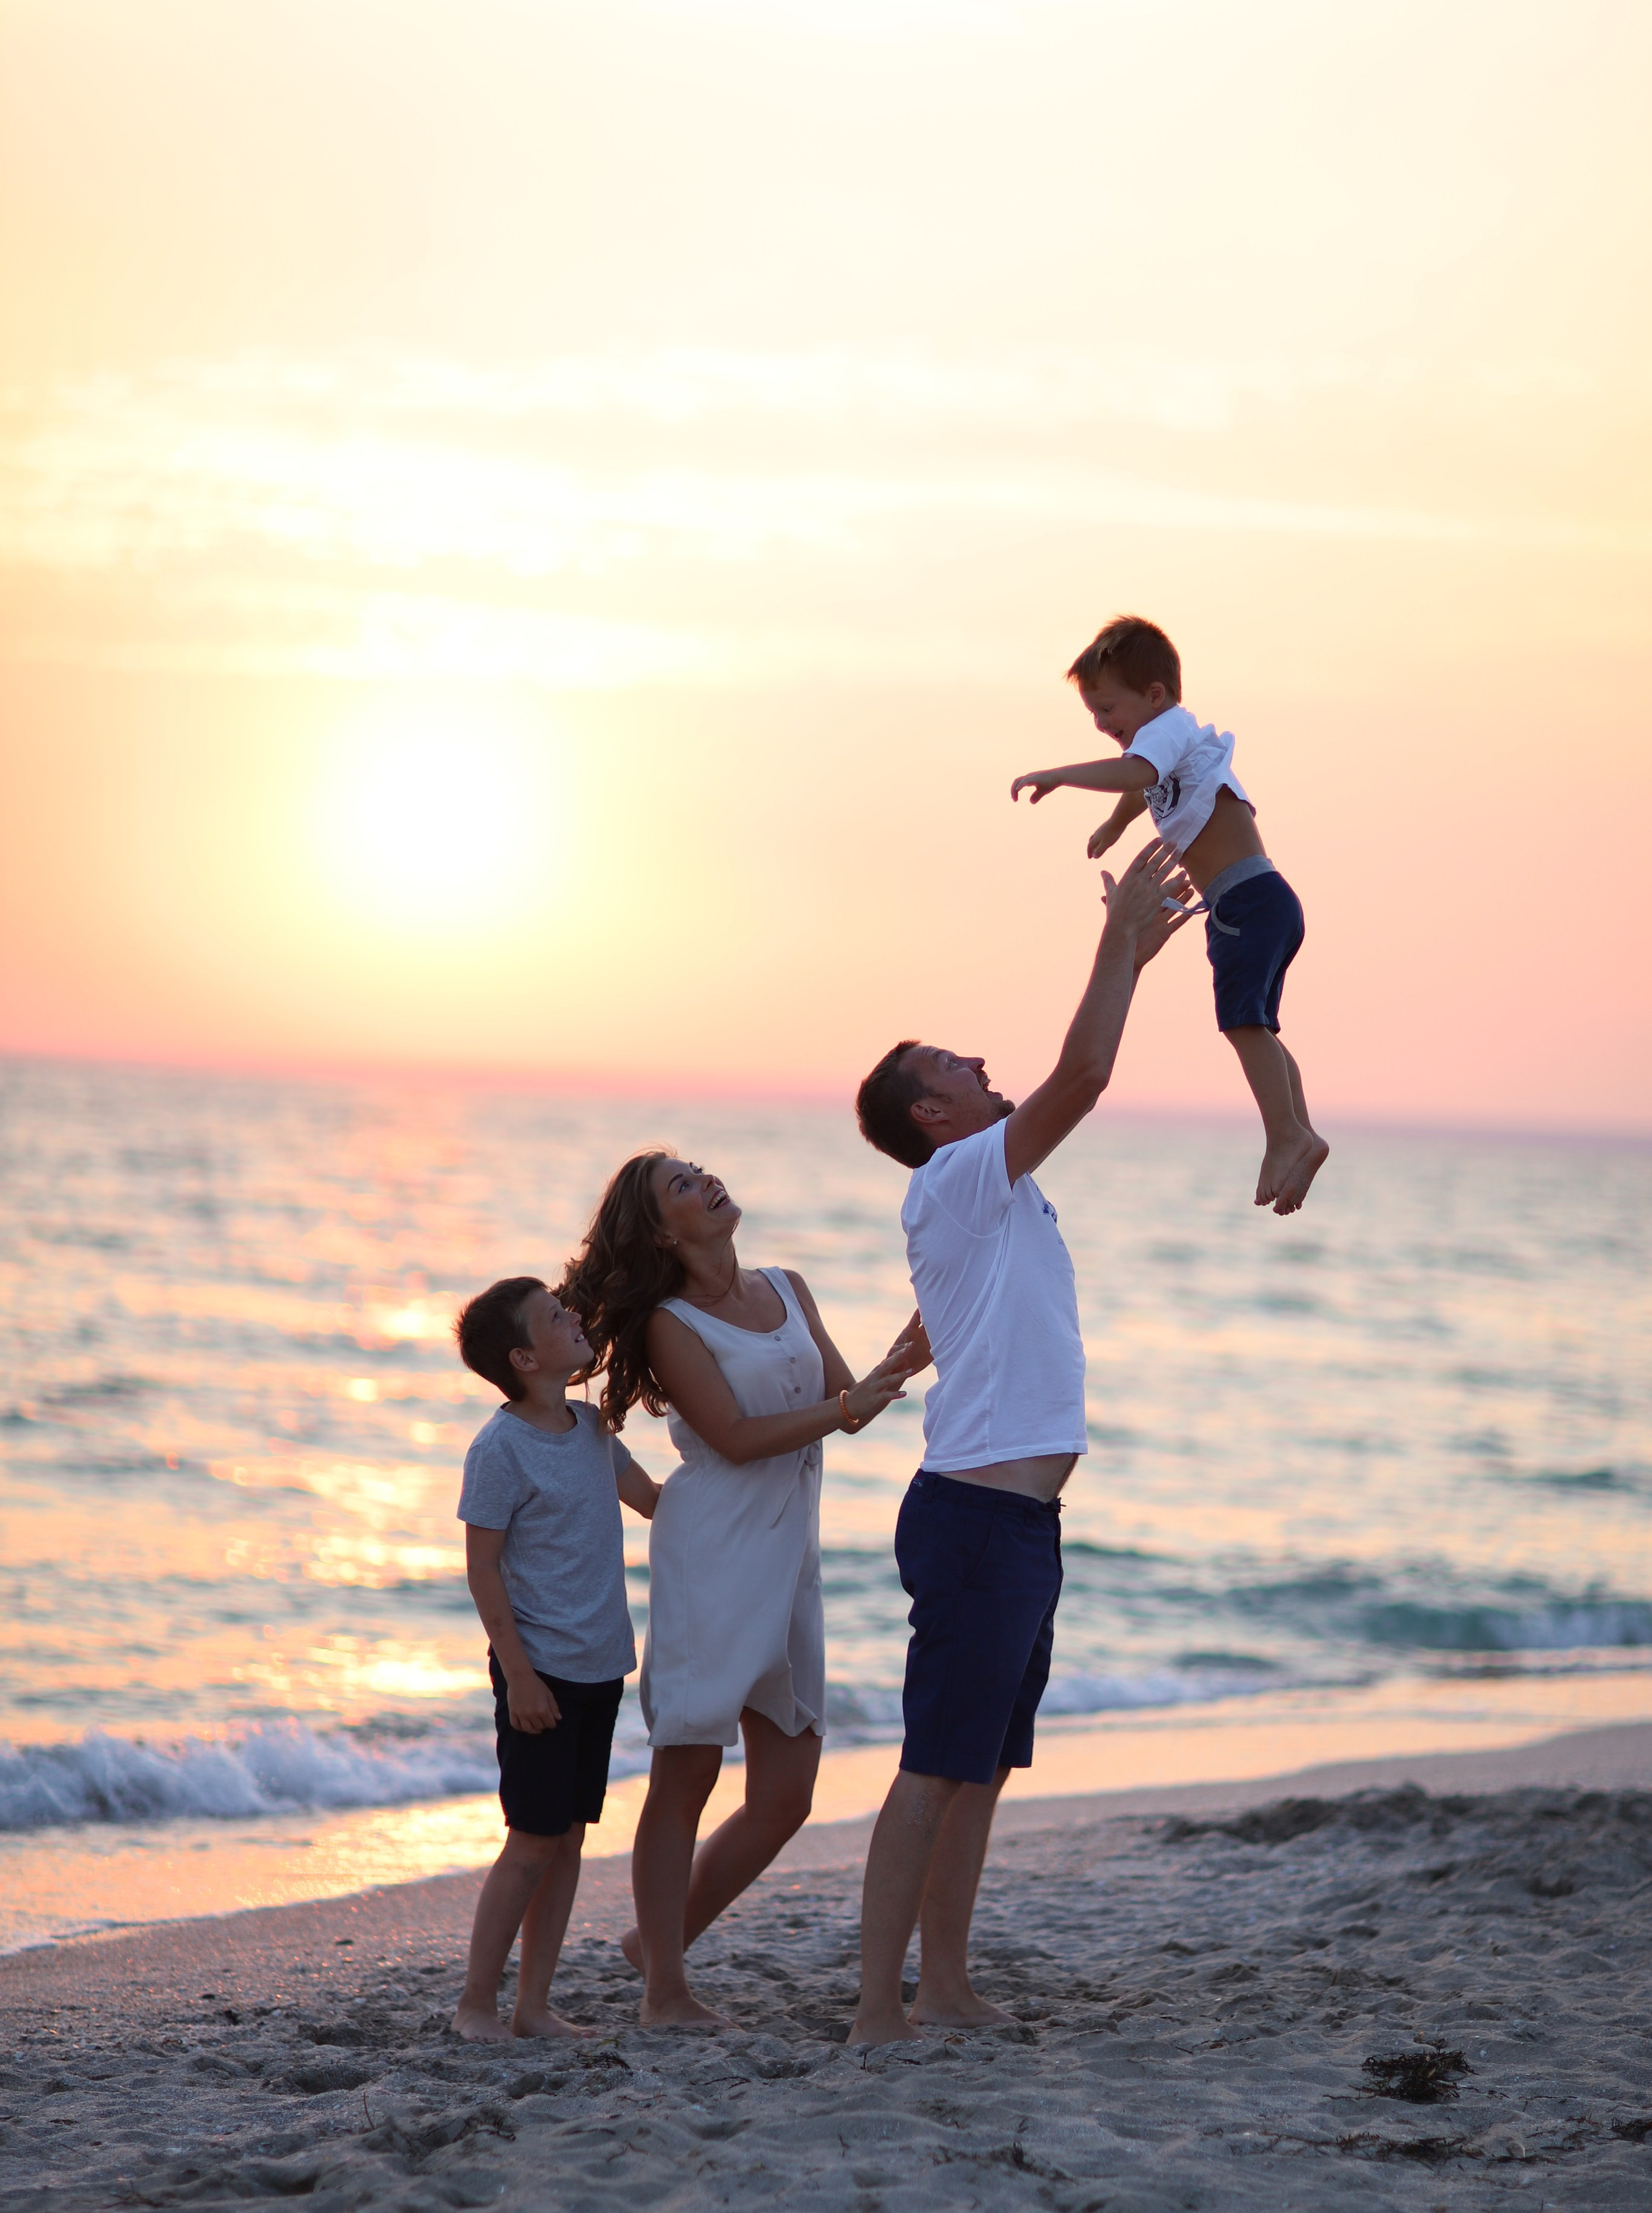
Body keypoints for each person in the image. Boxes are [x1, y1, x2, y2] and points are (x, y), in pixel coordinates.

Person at [848, 837, 1191, 2046]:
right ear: (931, 1113)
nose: (979, 1059)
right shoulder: (957, 1175)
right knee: (935, 1767)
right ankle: (875, 2010)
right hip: (978, 1523)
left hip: (1021, 1524)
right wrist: (1121, 943)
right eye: (953, 1062)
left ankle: (943, 1987)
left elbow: (950, 1311)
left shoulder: (990, 1192)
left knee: (981, 1770)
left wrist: (892, 1363)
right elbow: (1084, 1076)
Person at [562, 1151, 927, 2028]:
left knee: (785, 1794)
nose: (706, 1182)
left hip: (789, 1553)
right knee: (686, 1772)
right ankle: (665, 1994)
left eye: (699, 1170)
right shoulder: (666, 1322)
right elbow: (730, 1436)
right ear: (660, 1230)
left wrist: (905, 1359)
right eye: (681, 1187)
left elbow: (846, 1395)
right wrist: (850, 1406)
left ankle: (658, 1940)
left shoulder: (789, 1287)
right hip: (714, 1551)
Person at [1011, 614, 1328, 1216]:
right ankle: (1301, 1135)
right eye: (1095, 718)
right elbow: (1145, 786)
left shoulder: (1171, 729)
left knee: (1243, 1026)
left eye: (1108, 710)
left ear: (1153, 696)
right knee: (1258, 1023)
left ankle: (1284, 1133)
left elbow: (1137, 773)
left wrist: (1061, 776)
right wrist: (1116, 822)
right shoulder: (1174, 740)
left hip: (1246, 901)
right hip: (1259, 900)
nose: (1104, 726)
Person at [449, 1275, 659, 2043]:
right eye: (554, 1318)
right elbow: (483, 1569)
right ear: (523, 1358)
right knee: (532, 1839)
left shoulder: (594, 1427)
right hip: (539, 1671)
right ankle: (476, 2002)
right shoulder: (499, 1449)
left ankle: (534, 2006)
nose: (573, 1320)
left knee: (569, 1836)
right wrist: (521, 1677)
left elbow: (652, 1501)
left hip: (601, 1663)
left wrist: (745, 1483)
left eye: (566, 1309)